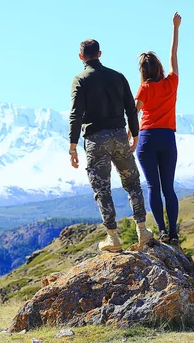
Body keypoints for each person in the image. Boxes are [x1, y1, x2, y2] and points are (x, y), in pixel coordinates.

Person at [69, 39, 154, 252]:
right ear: (100, 53)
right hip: (119, 136)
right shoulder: (118, 77)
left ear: (81, 57)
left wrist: (72, 146)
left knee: (102, 188)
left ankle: (113, 238)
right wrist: (135, 134)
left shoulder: (80, 80)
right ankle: (143, 231)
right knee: (133, 182)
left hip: (95, 139)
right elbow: (131, 110)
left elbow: (76, 114)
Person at [134, 12, 182, 245]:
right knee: (168, 188)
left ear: (143, 72)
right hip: (167, 138)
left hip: (146, 139)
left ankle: (162, 231)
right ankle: (173, 232)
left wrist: (130, 137)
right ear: (159, 68)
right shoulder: (171, 83)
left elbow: (133, 114)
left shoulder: (144, 89)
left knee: (153, 186)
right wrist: (175, 27)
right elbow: (173, 53)